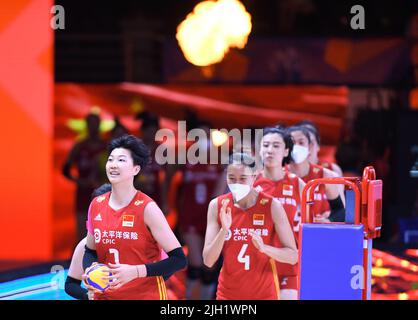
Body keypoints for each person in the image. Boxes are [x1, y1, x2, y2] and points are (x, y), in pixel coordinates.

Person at [82, 134, 187, 300]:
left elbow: (179, 260)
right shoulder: (96, 204)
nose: (113, 165)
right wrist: (89, 269)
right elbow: (90, 251)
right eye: (110, 160)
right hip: (105, 296)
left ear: (135, 169)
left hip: (145, 296)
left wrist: (135, 271)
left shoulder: (148, 208)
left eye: (121, 160)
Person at [203, 153, 298, 300]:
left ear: (254, 177)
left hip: (265, 295)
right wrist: (224, 231)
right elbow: (208, 261)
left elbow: (293, 256)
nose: (237, 184)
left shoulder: (272, 206)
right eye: (232, 178)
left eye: (242, 179)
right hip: (227, 295)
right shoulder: (217, 205)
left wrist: (265, 248)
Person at [167, 120, 224, 300]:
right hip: (189, 217)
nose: (204, 140)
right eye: (200, 136)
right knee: (196, 263)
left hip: (212, 219)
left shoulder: (220, 161)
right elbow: (168, 174)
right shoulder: (185, 159)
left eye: (207, 136)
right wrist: (168, 201)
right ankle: (190, 299)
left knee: (210, 266)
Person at [254, 127, 305, 300]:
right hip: (258, 263)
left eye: (276, 146)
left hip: (289, 262)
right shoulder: (251, 183)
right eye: (265, 145)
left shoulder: (297, 183)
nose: (269, 150)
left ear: (286, 151)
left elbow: (315, 217)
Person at [62, 112, 107, 242]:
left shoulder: (106, 147)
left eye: (96, 124)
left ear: (99, 126)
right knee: (82, 231)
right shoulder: (80, 146)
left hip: (102, 193)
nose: (93, 127)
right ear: (87, 126)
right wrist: (78, 181)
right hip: (83, 192)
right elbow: (65, 169)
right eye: (90, 124)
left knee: (103, 229)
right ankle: (80, 258)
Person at [286, 125, 345, 222]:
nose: (296, 147)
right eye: (292, 143)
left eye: (301, 142)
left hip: (314, 234)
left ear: (309, 147)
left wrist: (330, 220)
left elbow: (341, 211)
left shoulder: (326, 175)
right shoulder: (278, 174)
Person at [64, 183, 112, 300]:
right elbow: (70, 284)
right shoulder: (85, 245)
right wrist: (88, 296)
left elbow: (163, 272)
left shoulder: (136, 238)